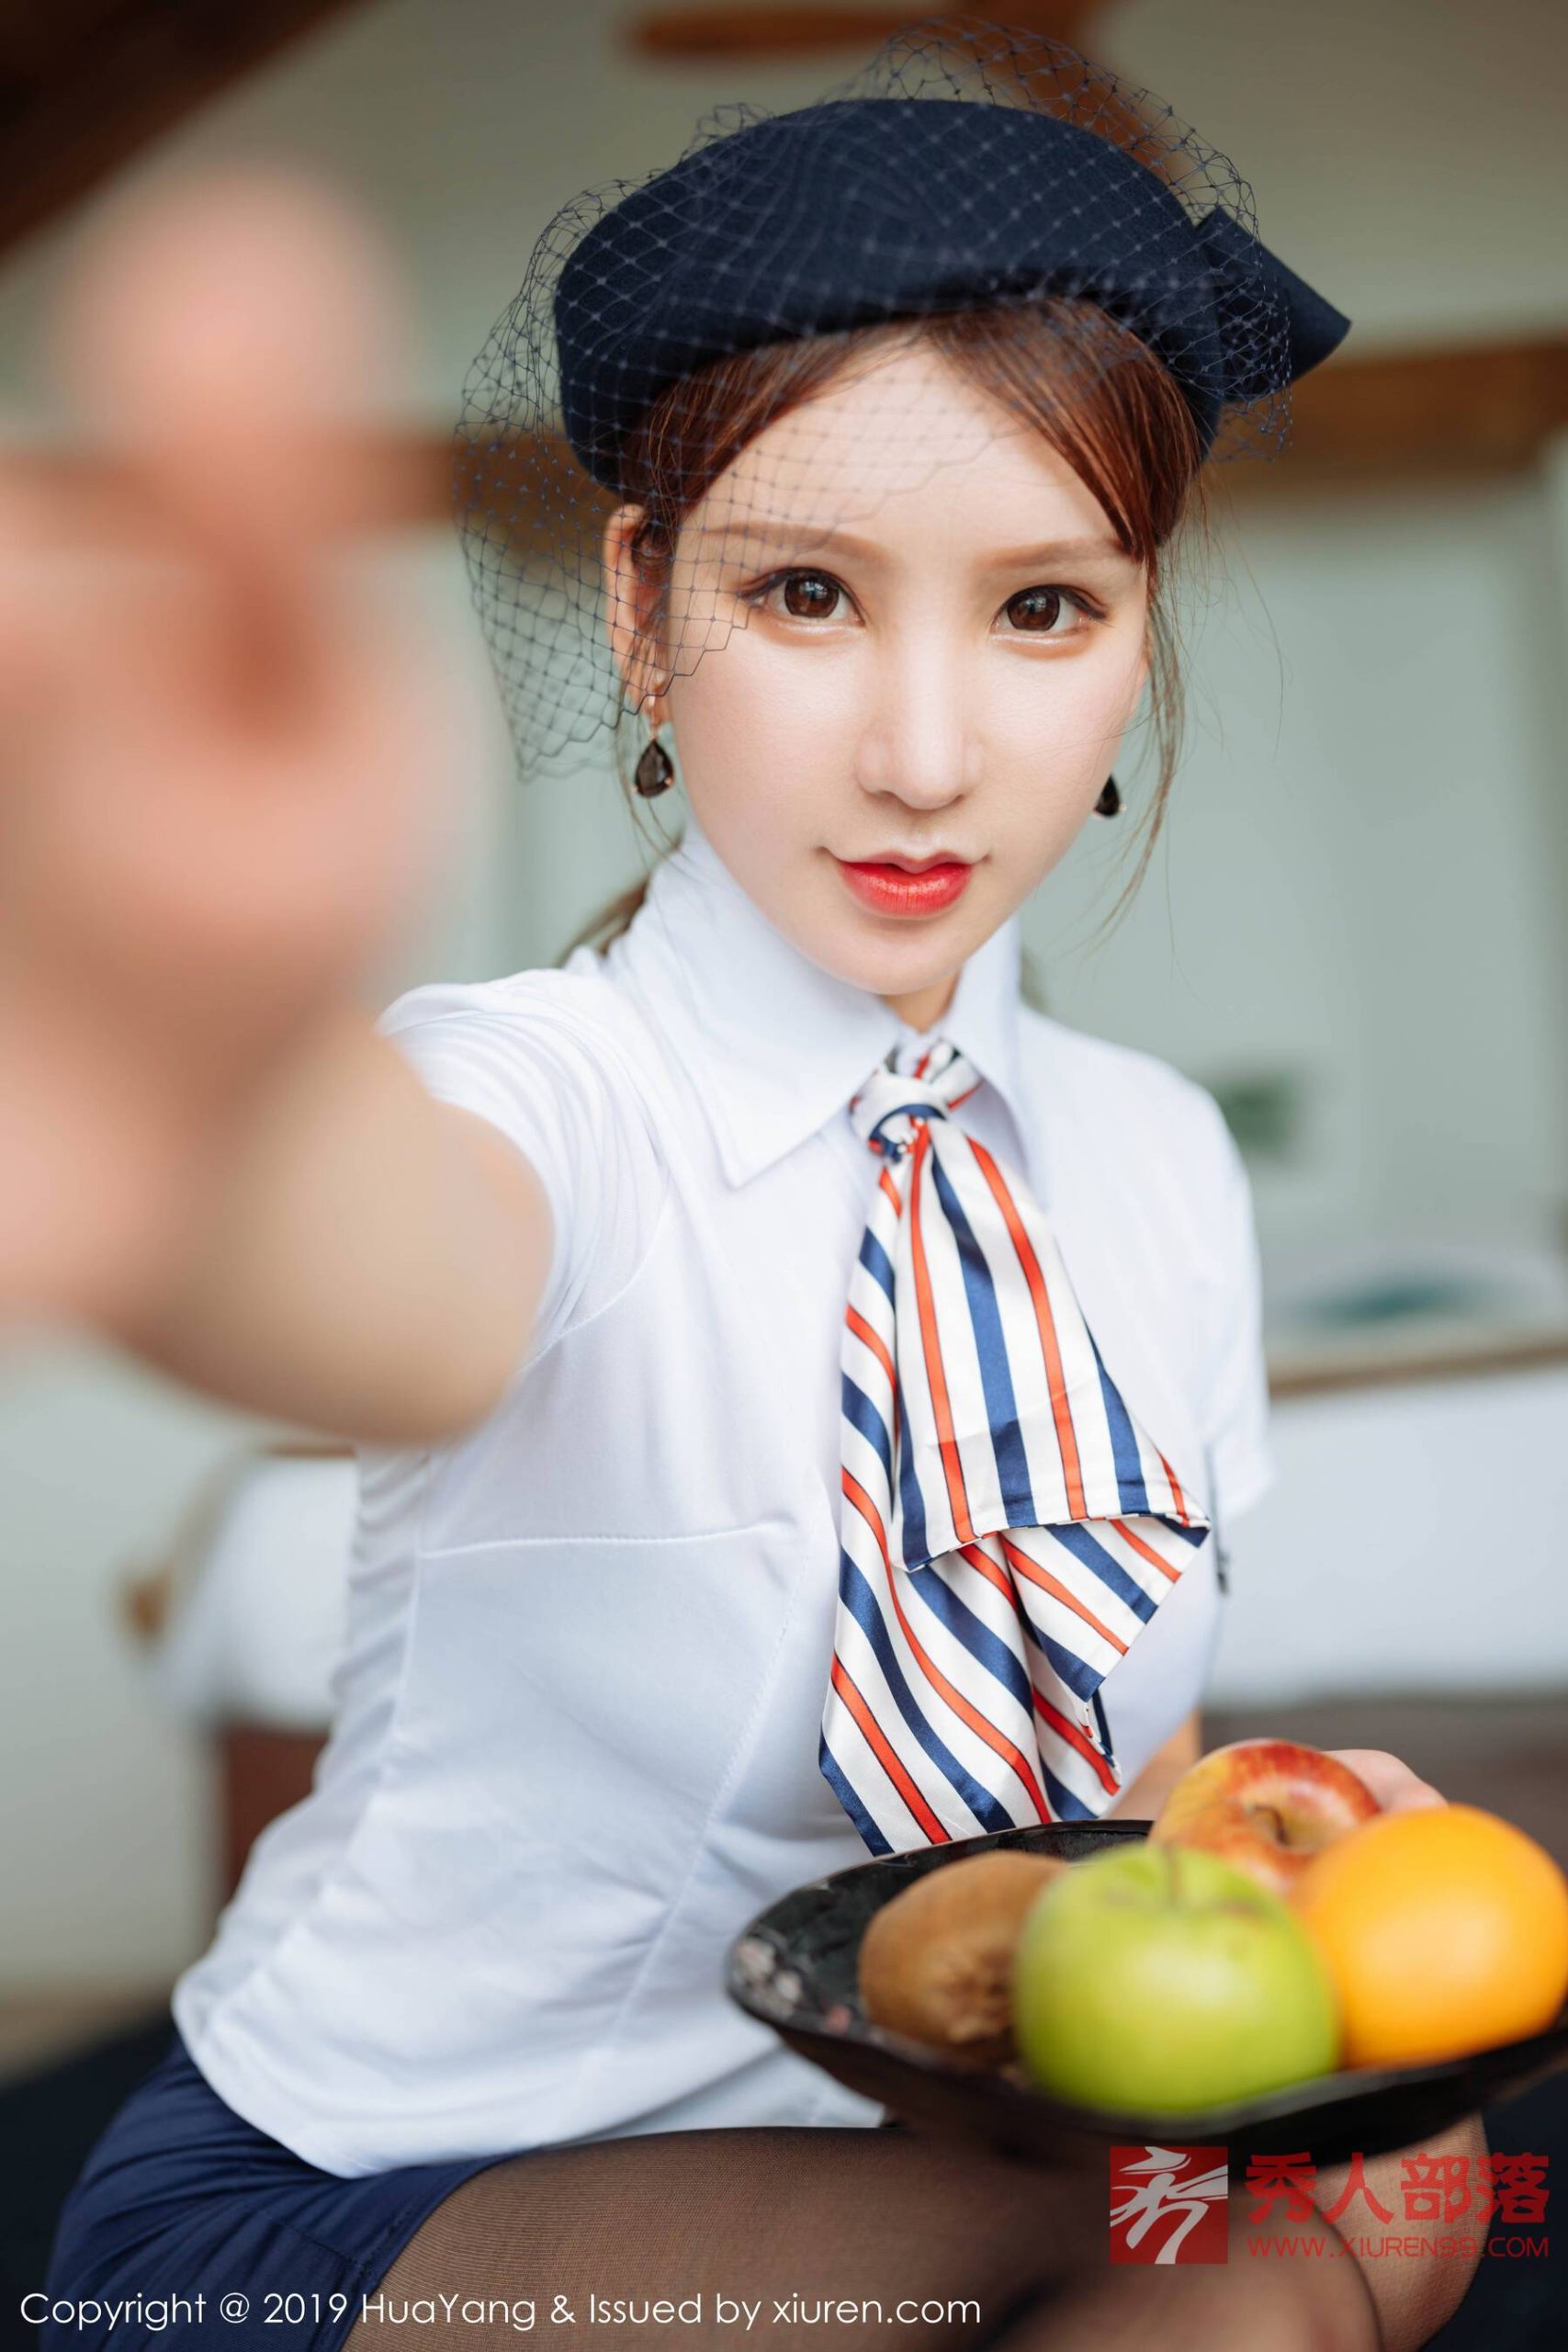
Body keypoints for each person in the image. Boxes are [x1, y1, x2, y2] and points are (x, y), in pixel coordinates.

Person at [36, 25, 1481, 2352]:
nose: (923, 752)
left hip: (924, 2127)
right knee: (1217, 2271)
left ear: (1135, 635)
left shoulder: (1152, 1160)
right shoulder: (546, 1090)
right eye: (805, 593)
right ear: (639, 607)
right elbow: (395, 1268)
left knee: (1423, 2163)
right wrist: (204, 1124)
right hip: (373, 2185)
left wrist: (1266, 1832)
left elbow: (1109, 1794)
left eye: (1041, 607)